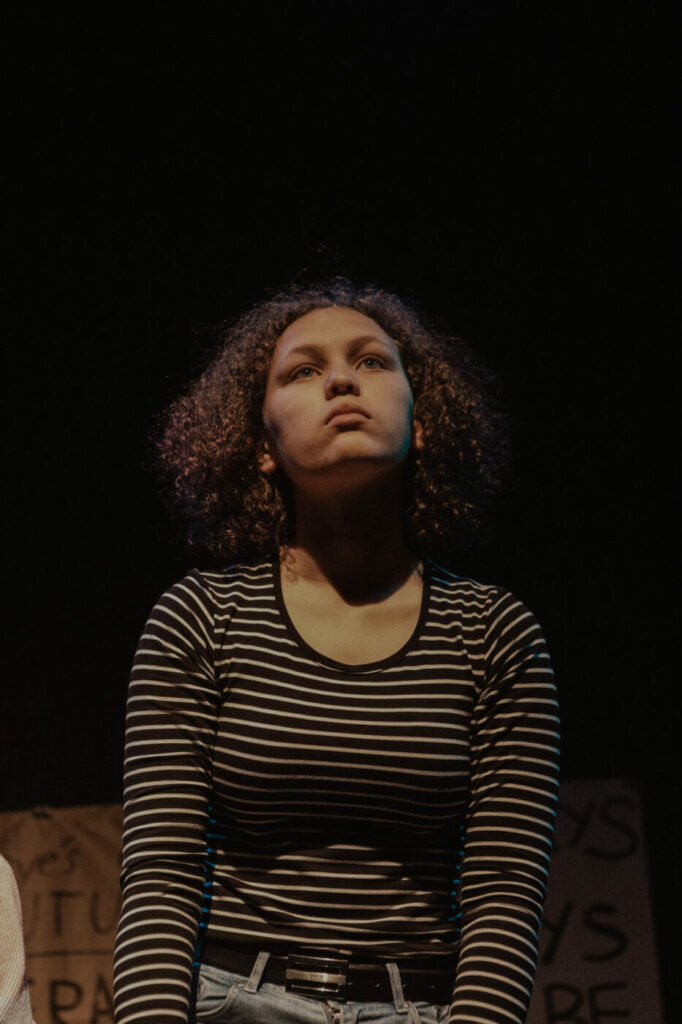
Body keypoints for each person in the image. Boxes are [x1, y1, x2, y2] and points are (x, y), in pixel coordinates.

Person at [113, 280, 560, 1024]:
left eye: (373, 363)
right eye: (302, 371)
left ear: (421, 423)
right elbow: (159, 878)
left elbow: (504, 892)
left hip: (421, 1008)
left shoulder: (495, 633)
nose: (342, 380)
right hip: (231, 1003)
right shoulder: (202, 617)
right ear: (261, 446)